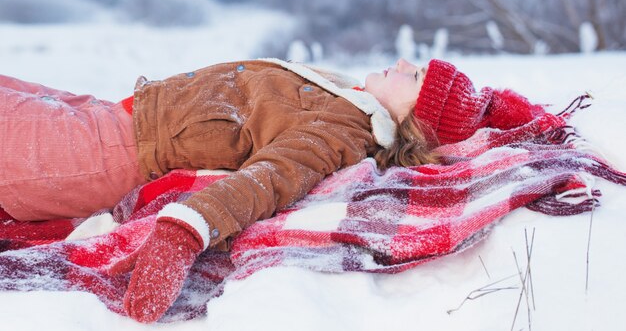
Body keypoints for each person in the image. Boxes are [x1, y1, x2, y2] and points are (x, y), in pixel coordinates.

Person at [0, 57, 544, 323]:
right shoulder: (349, 99)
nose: (402, 63)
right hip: (103, 116)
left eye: (417, 75)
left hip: (94, 154)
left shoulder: (340, 130)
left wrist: (183, 232)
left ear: (414, 115)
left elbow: (267, 181)